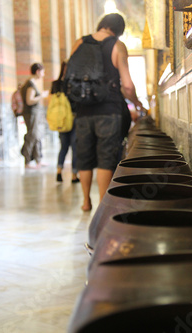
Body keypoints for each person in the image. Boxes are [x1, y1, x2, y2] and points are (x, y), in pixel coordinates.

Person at [69, 13, 145, 211]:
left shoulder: (79, 42)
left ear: (101, 25)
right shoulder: (117, 46)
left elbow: (70, 75)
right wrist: (137, 103)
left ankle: (86, 202)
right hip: (109, 111)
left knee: (84, 156)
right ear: (118, 30)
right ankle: (103, 205)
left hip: (83, 110)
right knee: (106, 158)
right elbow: (127, 85)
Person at [51, 61, 79, 183]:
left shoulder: (56, 84)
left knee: (63, 147)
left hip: (61, 120)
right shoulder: (74, 84)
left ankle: (59, 171)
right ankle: (74, 175)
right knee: (74, 147)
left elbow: (52, 103)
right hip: (73, 118)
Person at [20, 63, 49, 169]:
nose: (44, 74)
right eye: (43, 71)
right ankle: (27, 160)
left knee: (37, 136)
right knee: (32, 136)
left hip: (34, 113)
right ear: (37, 71)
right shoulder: (30, 85)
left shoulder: (32, 83)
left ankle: (38, 160)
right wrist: (42, 96)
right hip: (31, 113)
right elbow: (29, 100)